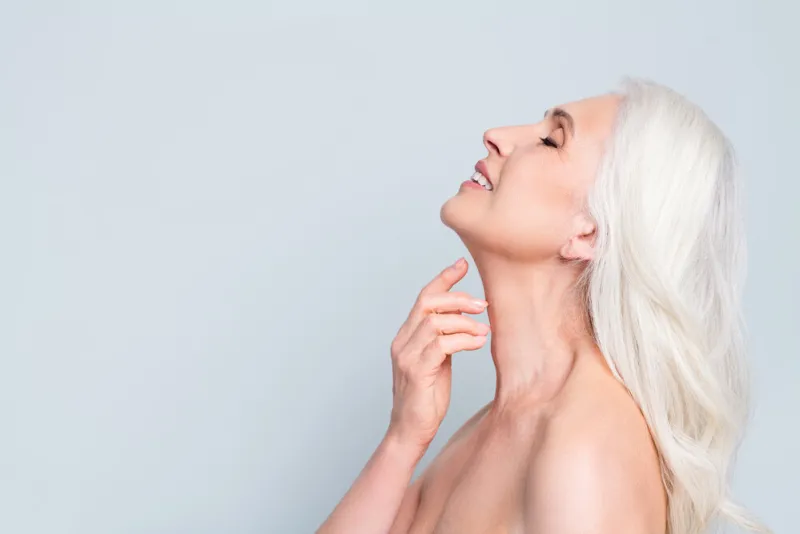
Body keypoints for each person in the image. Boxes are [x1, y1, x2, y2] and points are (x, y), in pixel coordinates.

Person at [316, 79, 770, 534]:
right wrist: (402, 438)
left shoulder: (587, 451)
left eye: (552, 139)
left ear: (588, 233)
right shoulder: (493, 424)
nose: (496, 134)